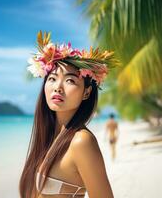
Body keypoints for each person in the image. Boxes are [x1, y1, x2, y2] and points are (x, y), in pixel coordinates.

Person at [19, 31, 119, 198]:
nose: (58, 87)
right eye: (52, 78)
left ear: (86, 92)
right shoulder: (49, 137)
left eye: (70, 80)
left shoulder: (81, 141)